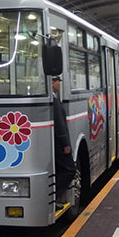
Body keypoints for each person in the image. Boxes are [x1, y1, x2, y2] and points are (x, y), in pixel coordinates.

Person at [52, 76, 76, 209]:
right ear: (52, 82)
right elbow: (60, 124)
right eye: (57, 82)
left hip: (55, 143)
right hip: (59, 144)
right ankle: (54, 196)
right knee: (70, 170)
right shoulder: (54, 100)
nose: (59, 84)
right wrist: (65, 144)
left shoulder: (54, 98)